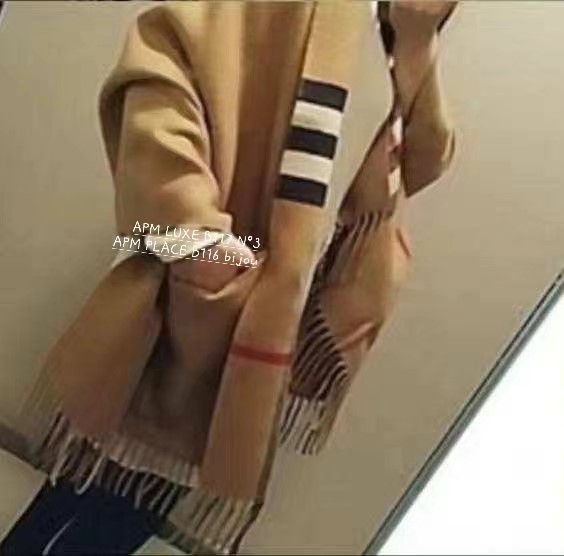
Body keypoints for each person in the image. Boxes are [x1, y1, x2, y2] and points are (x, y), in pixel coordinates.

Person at [1, 1, 457, 554]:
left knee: (135, 511)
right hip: (200, 292)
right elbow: (162, 65)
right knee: (89, 486)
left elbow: (423, 163)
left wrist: (418, 43)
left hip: (267, 328)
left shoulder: (395, 45)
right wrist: (197, 239)